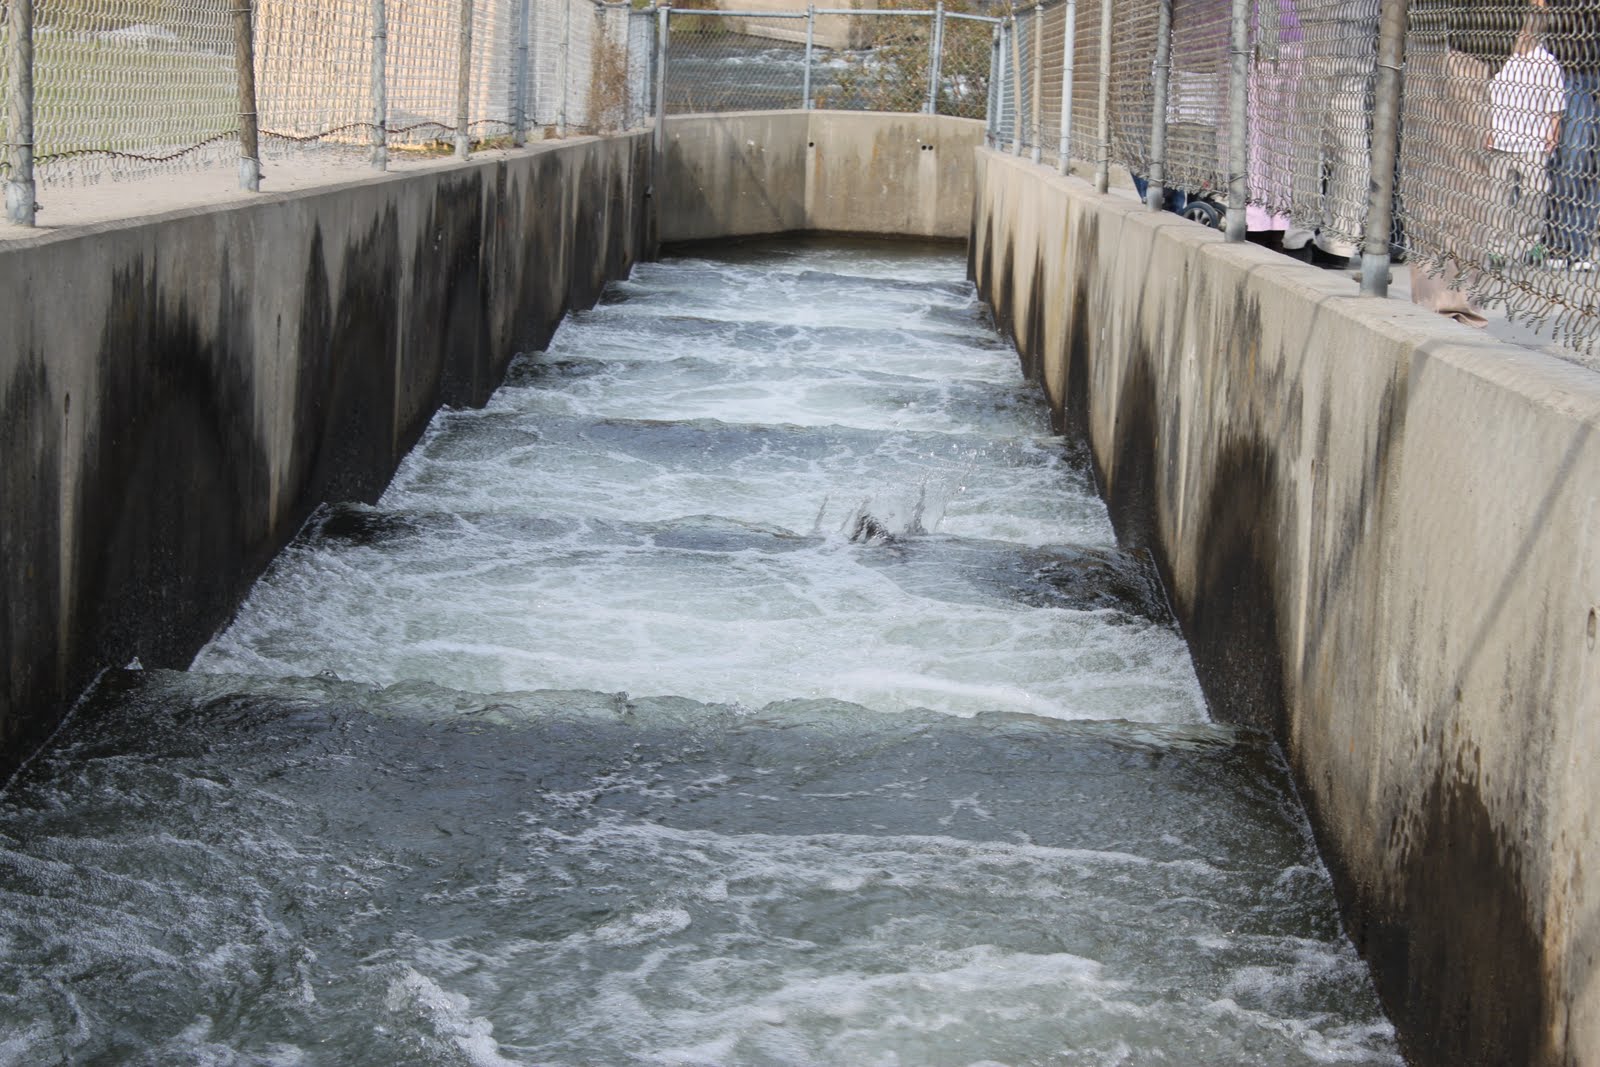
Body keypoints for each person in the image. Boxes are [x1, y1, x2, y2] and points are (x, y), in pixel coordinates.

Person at [1401, 2, 1499, 325]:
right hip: (1427, 35)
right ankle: (1436, 302)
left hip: (1471, 42)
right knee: (1424, 183)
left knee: (1467, 182)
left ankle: (1457, 305)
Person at [1487, 3, 1566, 263]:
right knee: (1498, 196)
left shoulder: (1547, 62)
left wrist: (1553, 131)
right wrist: (1489, 129)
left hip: (1532, 140)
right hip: (1502, 138)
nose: (1522, 38)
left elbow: (1556, 105)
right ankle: (1497, 247)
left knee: (1535, 191)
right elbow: (1492, 99)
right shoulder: (1507, 62)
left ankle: (1527, 243)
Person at [1544, 0, 1599, 269]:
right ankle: (1558, 241)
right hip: (1574, 69)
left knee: (1596, 168)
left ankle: (1579, 247)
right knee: (1572, 158)